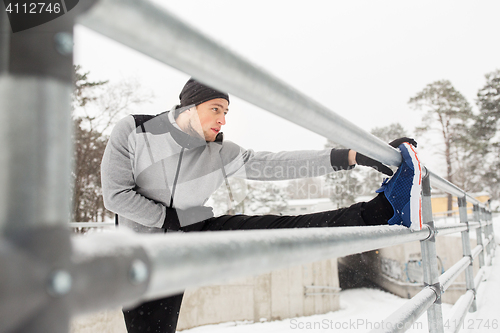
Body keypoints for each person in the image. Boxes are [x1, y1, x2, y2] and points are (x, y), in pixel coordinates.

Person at [101, 78, 421, 333]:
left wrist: (350, 156)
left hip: (187, 236)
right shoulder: (134, 130)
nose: (223, 120)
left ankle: (379, 212)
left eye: (227, 112)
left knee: (281, 228)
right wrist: (172, 218)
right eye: (216, 109)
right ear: (189, 106)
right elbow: (116, 195)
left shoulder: (220, 152)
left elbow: (274, 165)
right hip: (136, 256)